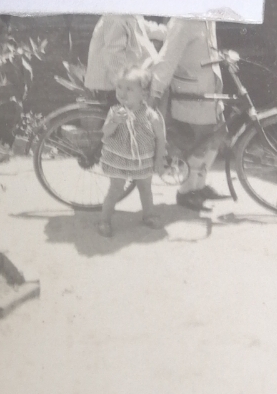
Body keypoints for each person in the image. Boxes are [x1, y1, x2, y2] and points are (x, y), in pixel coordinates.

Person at [148, 17, 226, 208]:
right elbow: (168, 58)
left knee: (219, 134)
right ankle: (185, 192)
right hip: (191, 89)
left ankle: (199, 186)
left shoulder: (208, 18)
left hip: (209, 87)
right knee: (203, 140)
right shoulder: (183, 21)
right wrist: (156, 92)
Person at [97, 70, 166, 237]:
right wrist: (114, 122)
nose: (122, 92)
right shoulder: (114, 111)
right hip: (119, 159)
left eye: (129, 89)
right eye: (119, 87)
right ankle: (104, 220)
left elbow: (160, 138)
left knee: (145, 188)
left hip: (143, 160)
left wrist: (159, 159)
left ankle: (148, 215)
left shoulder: (150, 115)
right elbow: (105, 132)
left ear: (143, 93)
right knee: (115, 189)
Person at [83, 14, 160, 102]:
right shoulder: (115, 19)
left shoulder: (131, 15)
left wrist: (172, 30)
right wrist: (126, 87)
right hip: (112, 87)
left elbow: (148, 29)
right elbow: (114, 57)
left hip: (128, 82)